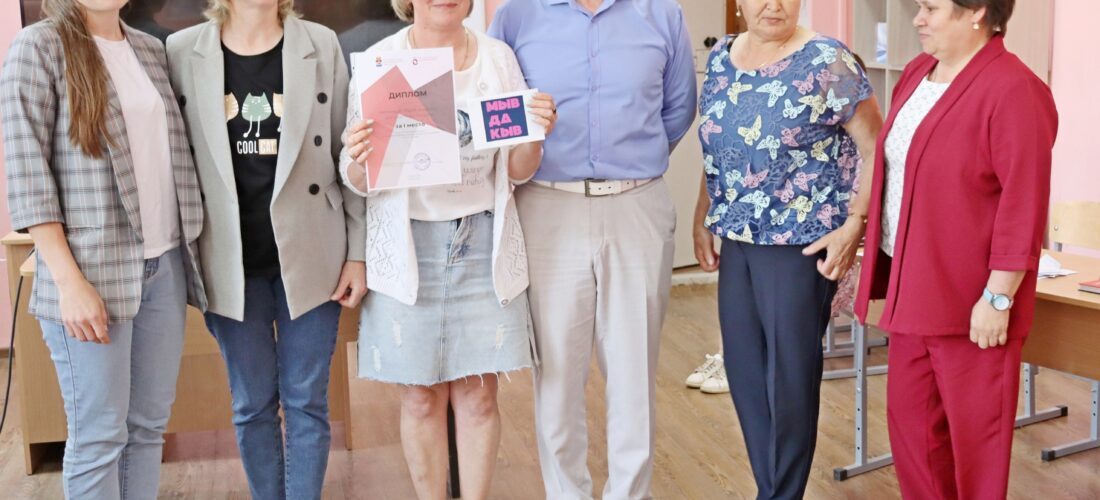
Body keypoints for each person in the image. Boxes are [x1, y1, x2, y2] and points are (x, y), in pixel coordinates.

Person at [339, 0, 556, 498]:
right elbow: (356, 180)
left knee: (479, 398)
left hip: (483, 243)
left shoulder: (497, 58)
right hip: (409, 244)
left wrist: (535, 135)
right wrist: (358, 158)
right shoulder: (381, 62)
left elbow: (518, 170)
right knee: (420, 398)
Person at [488, 0, 697, 497]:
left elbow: (679, 109)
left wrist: (632, 158)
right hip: (546, 206)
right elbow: (494, 108)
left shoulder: (662, 14)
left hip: (637, 205)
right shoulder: (516, 16)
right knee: (557, 373)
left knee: (634, 369)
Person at [1, 0, 206, 497]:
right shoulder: (39, 46)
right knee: (98, 437)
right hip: (91, 275)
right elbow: (28, 174)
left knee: (148, 429)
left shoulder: (150, 49)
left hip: (164, 266)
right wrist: (69, 284)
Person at [854, 0, 1057, 498]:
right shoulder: (917, 72)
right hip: (912, 290)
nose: (918, 18)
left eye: (932, 7)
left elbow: (1023, 203)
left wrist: (998, 298)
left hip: (973, 304)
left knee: (975, 452)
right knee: (914, 442)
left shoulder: (1014, 90)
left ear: (977, 12)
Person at [165, 0, 366, 498]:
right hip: (228, 260)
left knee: (306, 402)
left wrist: (357, 252)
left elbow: (347, 153)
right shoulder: (181, 51)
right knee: (251, 404)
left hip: (314, 253)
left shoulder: (320, 44)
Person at [691, 0, 883, 497]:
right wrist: (703, 213)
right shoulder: (722, 57)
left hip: (800, 244)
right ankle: (771, 489)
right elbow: (720, 145)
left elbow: (875, 148)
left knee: (788, 379)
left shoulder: (828, 60)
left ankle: (781, 493)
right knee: (745, 372)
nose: (773, 4)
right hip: (737, 237)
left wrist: (856, 224)